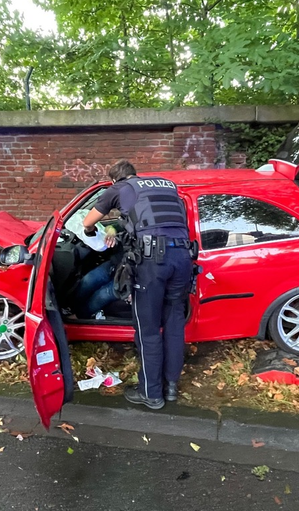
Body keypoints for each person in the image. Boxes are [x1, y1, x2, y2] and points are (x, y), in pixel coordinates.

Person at [82, 160, 192, 410]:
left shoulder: (119, 188)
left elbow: (88, 222)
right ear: (134, 173)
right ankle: (171, 387)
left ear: (114, 180)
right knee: (174, 323)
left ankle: (151, 393)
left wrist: (92, 233)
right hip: (183, 258)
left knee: (148, 328)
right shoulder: (167, 186)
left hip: (153, 263)